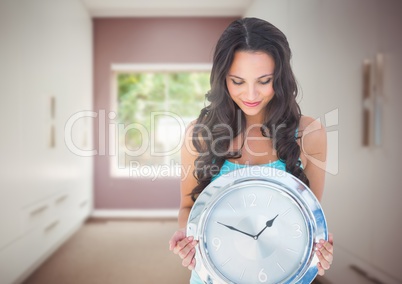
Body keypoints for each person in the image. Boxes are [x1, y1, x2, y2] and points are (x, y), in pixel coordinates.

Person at [169, 17, 334, 283]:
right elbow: (188, 207)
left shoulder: (310, 134)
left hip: (282, 274)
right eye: (238, 81)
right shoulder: (198, 134)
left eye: (264, 80)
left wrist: (320, 246)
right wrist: (186, 235)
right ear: (223, 79)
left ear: (280, 77)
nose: (251, 94)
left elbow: (309, 219)